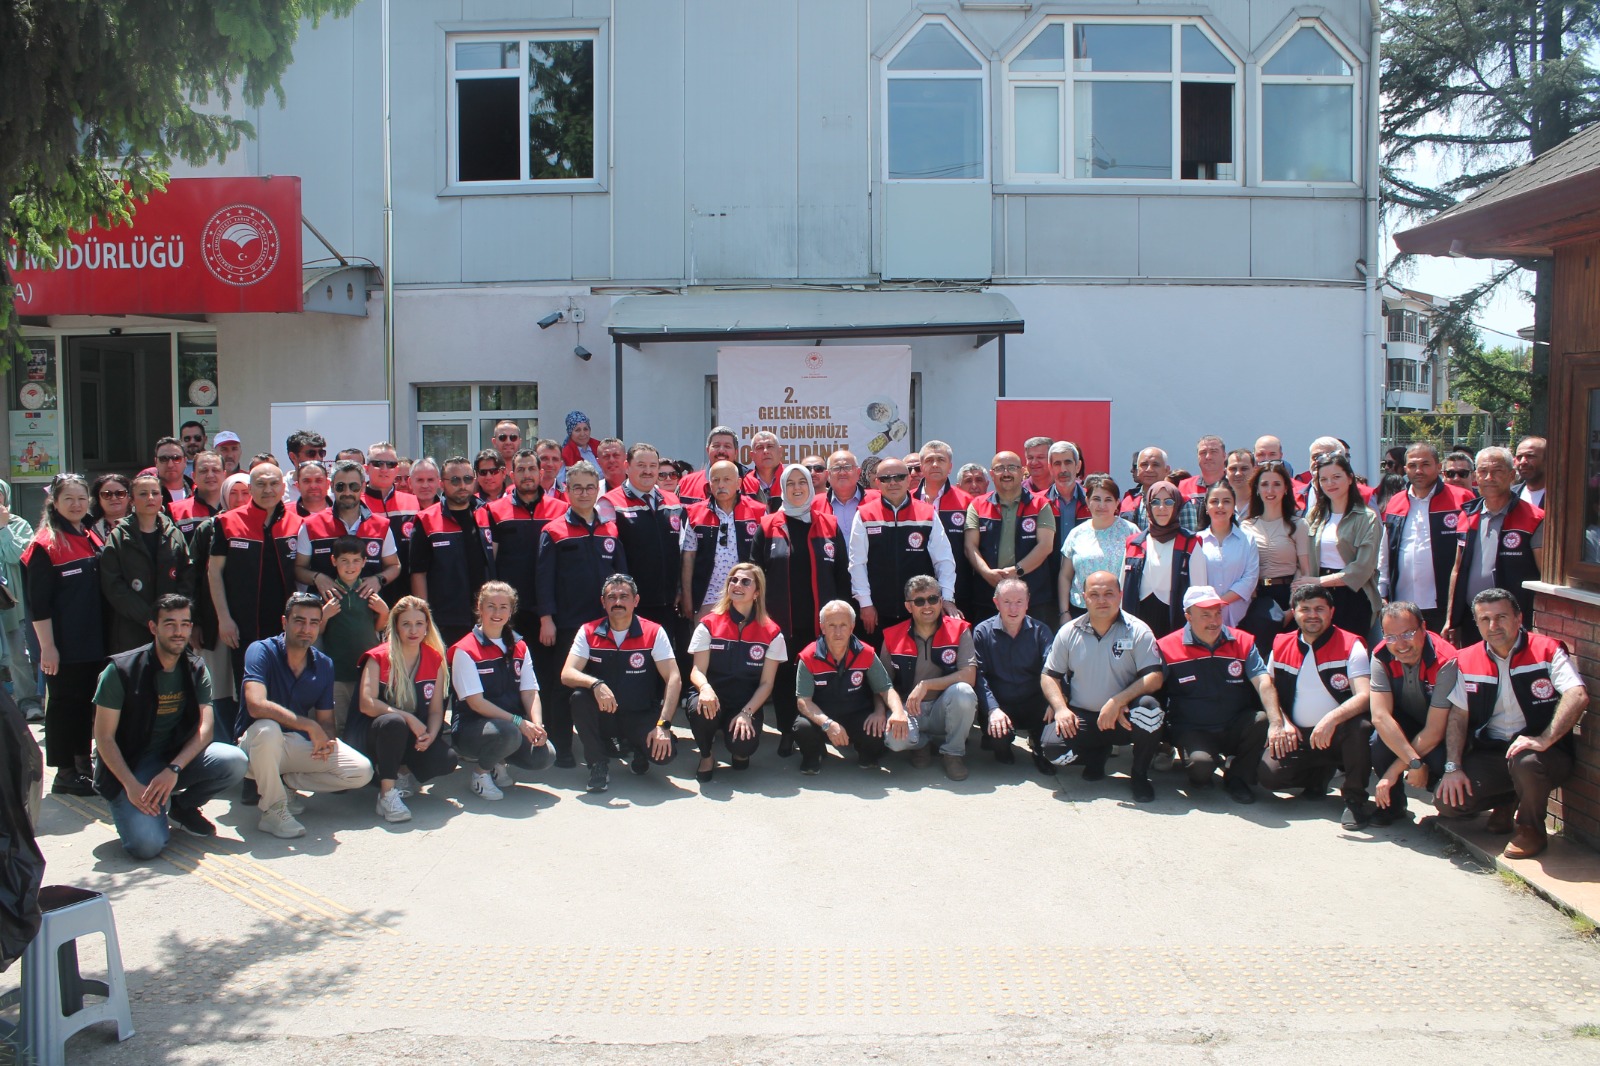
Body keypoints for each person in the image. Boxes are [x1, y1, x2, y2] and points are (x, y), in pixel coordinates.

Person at [91, 594, 248, 856]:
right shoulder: (120, 670)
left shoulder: (196, 668)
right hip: (131, 766)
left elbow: (205, 729)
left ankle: (181, 807)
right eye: (170, 624)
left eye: (185, 624)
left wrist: (174, 768)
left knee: (235, 760)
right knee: (147, 846)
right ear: (153, 627)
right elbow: (104, 738)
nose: (179, 632)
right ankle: (139, 808)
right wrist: (131, 786)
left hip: (173, 759)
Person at [1436, 588, 1587, 859]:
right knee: (1448, 803)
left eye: (1501, 617)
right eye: (1485, 619)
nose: (1493, 626)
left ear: (1518, 618)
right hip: (1492, 752)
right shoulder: (1466, 659)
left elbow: (1577, 695)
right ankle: (1509, 799)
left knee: (1526, 763)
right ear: (1477, 624)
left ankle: (1531, 830)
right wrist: (1453, 767)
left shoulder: (1546, 649)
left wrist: (1544, 739)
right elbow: (1458, 716)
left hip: (1543, 754)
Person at [238, 592, 374, 837]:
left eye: (313, 623)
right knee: (268, 729)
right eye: (299, 621)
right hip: (254, 746)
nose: (306, 629)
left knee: (361, 770)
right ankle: (273, 809)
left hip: (293, 745)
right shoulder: (260, 651)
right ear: (284, 622)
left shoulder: (324, 664)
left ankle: (288, 783)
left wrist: (327, 741)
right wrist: (309, 726)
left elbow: (326, 721)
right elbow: (256, 705)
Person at [1038, 570, 1165, 802]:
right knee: (1052, 749)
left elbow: (1155, 677)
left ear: (1120, 595)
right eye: (1094, 594)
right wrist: (1060, 708)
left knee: (1150, 710)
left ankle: (1139, 775)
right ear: (1084, 597)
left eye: (1109, 593)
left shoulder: (1138, 630)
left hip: (1122, 716)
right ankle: (1096, 756)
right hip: (1082, 716)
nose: (1102, 600)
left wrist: (1118, 701)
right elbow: (1049, 676)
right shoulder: (1069, 631)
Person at [1257, 584, 1374, 828]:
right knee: (1269, 776)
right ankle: (1317, 776)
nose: (1312, 615)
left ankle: (1355, 800)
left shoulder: (1351, 644)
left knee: (1361, 727)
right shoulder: (1281, 643)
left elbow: (1365, 696)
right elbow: (1268, 688)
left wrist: (1331, 719)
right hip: (1298, 734)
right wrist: (1281, 723)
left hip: (1338, 732)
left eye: (1320, 609)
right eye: (1305, 609)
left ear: (1332, 611)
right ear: (1294, 612)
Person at [752, 464, 850, 755]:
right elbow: (755, 573)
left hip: (821, 623)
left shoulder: (829, 524)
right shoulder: (768, 525)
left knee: (819, 679)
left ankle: (817, 733)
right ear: (783, 488)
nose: (797, 488)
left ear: (811, 486)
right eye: (791, 483)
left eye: (802, 482)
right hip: (781, 622)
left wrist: (843, 615)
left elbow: (842, 574)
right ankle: (787, 731)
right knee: (784, 679)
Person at [534, 461, 626, 767]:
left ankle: (606, 741)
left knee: (605, 682)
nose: (584, 493)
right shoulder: (553, 530)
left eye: (589, 487)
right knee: (563, 686)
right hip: (568, 623)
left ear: (597, 490)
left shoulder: (610, 528)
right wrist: (546, 618)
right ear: (567, 490)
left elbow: (622, 577)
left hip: (606, 623)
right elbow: (543, 579)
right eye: (577, 488)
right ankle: (562, 746)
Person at [24, 473, 107, 796]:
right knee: (64, 706)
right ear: (54, 502)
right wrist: (48, 647)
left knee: (85, 705)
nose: (76, 504)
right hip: (64, 643)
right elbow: (38, 604)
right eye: (68, 499)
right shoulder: (45, 544)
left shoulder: (89, 533)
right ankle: (66, 773)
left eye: (81, 498)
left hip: (92, 639)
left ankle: (83, 766)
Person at [562, 573, 682, 793]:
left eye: (624, 596)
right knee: (579, 698)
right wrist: (595, 684)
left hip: (640, 712)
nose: (617, 602)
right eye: (612, 597)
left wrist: (663, 725)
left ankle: (639, 748)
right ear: (603, 602)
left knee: (665, 755)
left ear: (636, 601)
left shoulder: (654, 631)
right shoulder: (588, 631)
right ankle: (597, 764)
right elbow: (567, 673)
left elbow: (673, 678)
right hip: (605, 714)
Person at [1156, 586, 1276, 804]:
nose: (1214, 621)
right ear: (1188, 616)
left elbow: (1263, 681)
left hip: (1234, 723)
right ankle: (1198, 762)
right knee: (1200, 770)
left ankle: (1237, 777)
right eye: (1205, 615)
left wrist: (1277, 722)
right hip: (1193, 727)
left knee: (1261, 720)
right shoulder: (1166, 646)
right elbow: (1153, 687)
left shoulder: (1243, 641)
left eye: (1217, 613)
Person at [211, 463, 303, 742]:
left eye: (273, 484)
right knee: (248, 690)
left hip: (285, 625)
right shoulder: (227, 522)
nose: (268, 490)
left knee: (285, 687)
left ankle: (284, 749)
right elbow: (214, 573)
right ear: (250, 488)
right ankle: (247, 751)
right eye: (261, 484)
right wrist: (224, 618)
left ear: (283, 487)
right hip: (243, 625)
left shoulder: (298, 523)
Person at [347, 595, 459, 821]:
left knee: (446, 759)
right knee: (394, 722)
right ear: (396, 626)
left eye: (419, 623)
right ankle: (386, 794)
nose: (413, 630)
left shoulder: (434, 658)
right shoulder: (378, 657)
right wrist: (408, 717)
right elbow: (367, 703)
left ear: (427, 626)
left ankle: (402, 770)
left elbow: (436, 710)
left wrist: (431, 735)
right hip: (372, 734)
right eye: (406, 624)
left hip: (409, 734)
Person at [449, 581, 551, 801]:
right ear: (480, 608)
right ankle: (481, 774)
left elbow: (530, 691)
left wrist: (537, 725)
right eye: (491, 606)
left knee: (544, 755)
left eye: (503, 607)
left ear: (511, 610)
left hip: (509, 726)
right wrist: (519, 722)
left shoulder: (519, 646)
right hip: (471, 728)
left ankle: (497, 761)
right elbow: (476, 703)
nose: (497, 613)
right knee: (509, 732)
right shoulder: (465, 649)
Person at [686, 563, 786, 782]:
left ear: (757, 592)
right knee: (700, 710)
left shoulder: (772, 632)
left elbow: (767, 683)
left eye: (745, 581)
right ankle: (706, 755)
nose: (737, 584)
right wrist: (705, 688)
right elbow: (697, 670)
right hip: (712, 697)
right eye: (733, 580)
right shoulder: (708, 624)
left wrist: (747, 713)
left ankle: (738, 749)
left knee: (743, 747)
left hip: (745, 702)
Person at [1368, 601, 1458, 826]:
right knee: (1378, 742)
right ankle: (1392, 805)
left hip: (1440, 729)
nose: (1400, 644)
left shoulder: (1446, 660)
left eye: (1407, 634)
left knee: (1439, 757)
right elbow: (1380, 716)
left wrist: (1394, 771)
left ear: (1423, 627)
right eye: (1391, 637)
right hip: (1407, 722)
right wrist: (1414, 762)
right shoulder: (1380, 655)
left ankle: (1448, 803)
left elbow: (1435, 730)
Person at [1444, 446, 1544, 647]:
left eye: (1497, 471)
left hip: (1513, 622)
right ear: (1475, 476)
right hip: (1474, 619)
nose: (1489, 477)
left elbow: (1544, 577)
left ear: (1512, 476)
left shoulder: (1534, 518)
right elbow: (1457, 568)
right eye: (1483, 471)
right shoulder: (1467, 514)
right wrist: (1451, 619)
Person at [879, 575, 976, 780]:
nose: (927, 606)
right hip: (908, 708)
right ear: (908, 606)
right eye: (919, 601)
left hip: (942, 708)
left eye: (933, 599)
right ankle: (921, 743)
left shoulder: (959, 629)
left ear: (941, 602)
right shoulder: (892, 635)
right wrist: (894, 712)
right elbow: (883, 684)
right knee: (895, 742)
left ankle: (953, 754)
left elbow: (969, 675)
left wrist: (927, 685)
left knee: (964, 692)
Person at [791, 600, 903, 775]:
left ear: (852, 627)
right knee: (802, 728)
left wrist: (896, 712)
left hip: (856, 714)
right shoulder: (808, 656)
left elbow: (885, 688)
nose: (838, 632)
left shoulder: (866, 653)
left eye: (843, 625)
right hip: (822, 717)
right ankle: (813, 755)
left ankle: (866, 754)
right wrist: (827, 724)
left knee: (876, 730)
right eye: (832, 625)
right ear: (822, 627)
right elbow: (803, 702)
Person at [851, 456, 954, 637]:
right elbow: (857, 564)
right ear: (877, 482)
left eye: (899, 477)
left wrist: (946, 598)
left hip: (921, 609)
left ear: (908, 479)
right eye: (886, 478)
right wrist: (865, 604)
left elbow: (944, 561)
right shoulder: (864, 514)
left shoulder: (927, 513)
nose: (893, 483)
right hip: (878, 612)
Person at [1377, 442, 1474, 634]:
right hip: (1403, 603)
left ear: (1439, 467)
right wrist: (1382, 590)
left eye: (1425, 464)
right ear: (1405, 469)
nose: (1418, 470)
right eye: (1412, 465)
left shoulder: (1462, 499)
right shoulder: (1396, 501)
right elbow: (1385, 550)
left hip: (1446, 605)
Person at [100, 472, 196, 654]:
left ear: (161, 498)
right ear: (132, 500)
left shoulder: (174, 534)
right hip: (132, 628)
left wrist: (171, 614)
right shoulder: (118, 536)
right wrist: (149, 617)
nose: (150, 498)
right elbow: (113, 585)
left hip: (171, 627)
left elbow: (187, 575)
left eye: (155, 493)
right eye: (143, 494)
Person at [971, 578, 1056, 773]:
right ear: (996, 603)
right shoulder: (982, 632)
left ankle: (1038, 743)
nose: (1013, 608)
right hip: (1001, 704)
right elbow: (979, 676)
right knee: (997, 738)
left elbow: (1052, 670)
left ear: (1027, 603)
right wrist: (992, 709)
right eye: (1007, 602)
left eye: (1019, 602)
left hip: (1035, 704)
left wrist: (1055, 702)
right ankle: (1001, 746)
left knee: (1056, 739)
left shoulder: (1041, 631)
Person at [409, 455, 495, 648]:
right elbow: (418, 573)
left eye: (467, 479)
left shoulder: (486, 513)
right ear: (442, 483)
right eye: (455, 480)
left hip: (484, 616)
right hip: (445, 619)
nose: (462, 485)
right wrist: (424, 616)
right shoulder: (426, 520)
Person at [602, 442, 684, 636]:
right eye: (641, 465)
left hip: (669, 602)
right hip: (632, 604)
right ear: (627, 467)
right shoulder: (609, 502)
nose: (648, 471)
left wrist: (680, 588)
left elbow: (681, 549)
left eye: (653, 466)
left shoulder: (673, 501)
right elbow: (606, 556)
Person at [966, 451, 1057, 625]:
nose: (1006, 473)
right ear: (992, 474)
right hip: (988, 595)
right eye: (1000, 468)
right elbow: (970, 546)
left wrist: (1017, 571)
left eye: (1012, 468)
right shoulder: (977, 505)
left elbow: (1045, 546)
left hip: (1032, 597)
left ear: (1022, 472)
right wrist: (987, 573)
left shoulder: (1040, 504)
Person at [486, 448, 566, 642]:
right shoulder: (495, 511)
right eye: (521, 470)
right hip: (511, 609)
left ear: (541, 473)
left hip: (552, 607)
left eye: (531, 469)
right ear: (512, 475)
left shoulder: (561, 509)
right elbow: (490, 563)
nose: (527, 474)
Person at [295, 461, 401, 598]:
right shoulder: (311, 525)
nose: (347, 492)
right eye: (340, 486)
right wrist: (317, 577)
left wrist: (379, 579)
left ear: (363, 487)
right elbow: (298, 569)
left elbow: (394, 565)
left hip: (368, 607)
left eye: (353, 486)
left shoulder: (381, 526)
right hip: (325, 607)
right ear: (332, 487)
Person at [1305, 452, 1381, 642]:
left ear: (1350, 478)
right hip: (1318, 594)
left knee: (1350, 651)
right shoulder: (1315, 516)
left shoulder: (1366, 517)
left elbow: (1363, 568)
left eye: (1336, 477)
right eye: (1324, 479)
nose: (1330, 483)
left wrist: (1319, 581)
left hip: (1353, 595)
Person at [315, 536, 389, 728]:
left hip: (366, 670)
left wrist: (384, 612)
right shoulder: (328, 593)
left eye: (356, 560)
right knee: (338, 723)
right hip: (337, 671)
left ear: (364, 562)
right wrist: (324, 615)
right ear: (334, 561)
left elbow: (378, 628)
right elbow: (317, 632)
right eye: (344, 560)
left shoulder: (368, 591)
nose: (350, 566)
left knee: (365, 722)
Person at [680, 460, 765, 620]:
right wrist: (687, 597)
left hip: (747, 597)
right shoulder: (694, 513)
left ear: (738, 483)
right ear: (709, 485)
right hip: (707, 598)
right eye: (716, 480)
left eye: (727, 479)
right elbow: (688, 557)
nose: (721, 485)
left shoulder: (758, 512)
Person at [1240, 461, 1312, 650]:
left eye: (1277, 484)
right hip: (1257, 599)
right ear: (1257, 489)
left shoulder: (1299, 525)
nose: (1270, 490)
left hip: (1289, 595)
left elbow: (1305, 570)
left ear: (1286, 489)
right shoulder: (1246, 526)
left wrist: (1292, 608)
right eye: (1264, 484)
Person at [1120, 480, 1201, 639]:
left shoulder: (1190, 543)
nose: (1161, 507)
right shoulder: (1134, 542)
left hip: (1175, 627)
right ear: (1148, 506)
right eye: (1155, 502)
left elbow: (1199, 593)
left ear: (1177, 505)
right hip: (1137, 625)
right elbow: (1121, 589)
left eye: (1168, 502)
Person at [1057, 473, 1135, 623]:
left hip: (1120, 611)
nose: (1102, 505)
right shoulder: (1076, 534)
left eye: (1108, 500)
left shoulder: (1131, 532)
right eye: (1096, 499)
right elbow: (1065, 576)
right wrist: (1064, 612)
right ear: (1087, 501)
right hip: (1080, 609)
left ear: (1117, 503)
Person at [917, 440, 976, 622]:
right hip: (916, 592)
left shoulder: (967, 502)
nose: (935, 464)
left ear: (950, 467)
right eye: (929, 460)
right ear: (921, 466)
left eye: (941, 460)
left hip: (959, 591)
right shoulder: (908, 500)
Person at [0, 479, 41, 720]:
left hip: (12, 604)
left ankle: (28, 701)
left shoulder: (18, 524)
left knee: (17, 654)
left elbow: (17, 556)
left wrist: (3, 528)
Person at [1193, 482, 1259, 631]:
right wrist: (1210, 605)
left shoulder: (1247, 540)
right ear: (1206, 507)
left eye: (1226, 501)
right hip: (1205, 618)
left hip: (1242, 617)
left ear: (1234, 505)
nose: (1220, 506)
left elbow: (1250, 579)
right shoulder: (1196, 541)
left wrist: (1220, 602)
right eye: (1214, 501)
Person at [363, 441, 421, 606]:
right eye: (378, 463)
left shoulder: (413, 502)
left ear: (396, 469)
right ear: (366, 468)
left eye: (390, 464)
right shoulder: (357, 503)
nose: (384, 469)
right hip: (369, 593)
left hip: (407, 592)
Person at [674, 426, 740, 507]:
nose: (721, 450)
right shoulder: (686, 483)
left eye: (727, 446)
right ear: (708, 450)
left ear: (736, 452)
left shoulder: (748, 485)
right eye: (716, 446)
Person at [817, 449, 874, 535]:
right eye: (836, 468)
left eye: (847, 467)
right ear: (828, 475)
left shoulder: (877, 499)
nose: (842, 473)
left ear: (858, 472)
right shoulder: (815, 504)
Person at [169, 450, 226, 535]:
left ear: (224, 475)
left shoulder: (235, 508)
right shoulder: (176, 512)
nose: (210, 475)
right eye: (204, 471)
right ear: (194, 476)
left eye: (215, 470)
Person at [1176, 435, 1228, 529]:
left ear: (1224, 456)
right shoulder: (1184, 486)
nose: (1208, 457)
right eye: (1203, 453)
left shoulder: (1233, 486)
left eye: (1213, 452)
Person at [1117, 447, 1170, 530]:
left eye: (1155, 465)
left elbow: (1187, 536)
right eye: (1144, 465)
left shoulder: (1179, 501)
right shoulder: (1128, 499)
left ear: (1166, 470)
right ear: (1138, 470)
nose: (1149, 469)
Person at [741, 431, 785, 505]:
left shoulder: (791, 479)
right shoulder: (743, 483)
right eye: (760, 447)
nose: (765, 451)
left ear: (780, 452)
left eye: (770, 446)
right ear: (752, 456)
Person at [90, 473, 132, 543]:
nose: (113, 498)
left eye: (120, 493)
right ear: (98, 498)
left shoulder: (142, 523)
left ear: (129, 497)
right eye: (107, 494)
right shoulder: (88, 528)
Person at [558, 411, 599, 482]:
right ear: (570, 433)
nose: (582, 434)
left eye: (585, 429)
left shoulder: (599, 448)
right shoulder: (565, 455)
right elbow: (561, 482)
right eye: (577, 430)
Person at [153, 436, 192, 504]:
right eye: (164, 459)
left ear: (185, 461)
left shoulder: (198, 493)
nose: (170, 465)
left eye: (176, 458)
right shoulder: (147, 496)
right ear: (156, 462)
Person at [1512, 436, 1547, 507]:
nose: (1522, 462)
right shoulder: (1509, 496)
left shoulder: (1562, 497)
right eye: (1519, 457)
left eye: (1530, 456)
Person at [1223, 449, 1256, 522]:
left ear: (1254, 471)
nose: (1238, 473)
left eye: (1244, 469)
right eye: (1233, 469)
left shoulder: (1264, 502)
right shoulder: (1219, 504)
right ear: (1225, 472)